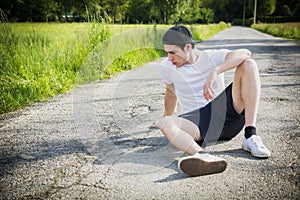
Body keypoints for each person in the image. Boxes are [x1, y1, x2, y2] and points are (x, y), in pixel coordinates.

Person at [151, 25, 271, 177]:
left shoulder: (212, 57)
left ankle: (250, 135)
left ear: (188, 47)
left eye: (172, 52)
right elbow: (170, 94)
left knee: (249, 64)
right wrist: (167, 119)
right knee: (165, 123)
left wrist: (215, 71)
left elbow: (245, 53)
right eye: (167, 52)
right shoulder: (166, 67)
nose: (169, 57)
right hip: (197, 125)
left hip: (225, 116)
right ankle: (203, 156)